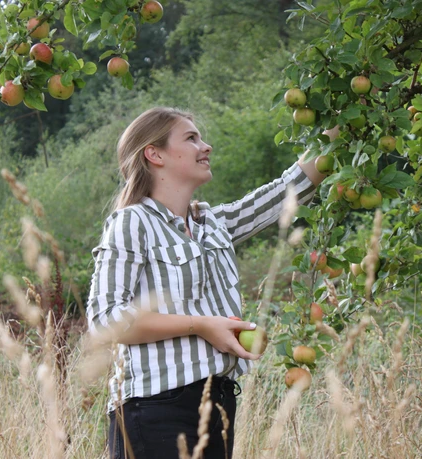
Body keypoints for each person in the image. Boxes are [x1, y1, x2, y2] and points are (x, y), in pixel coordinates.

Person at [86, 107, 326, 459]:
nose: (206, 146)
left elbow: (287, 190)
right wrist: (201, 325)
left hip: (219, 404)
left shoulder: (212, 224)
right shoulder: (132, 222)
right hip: (156, 409)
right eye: (191, 138)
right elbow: (105, 319)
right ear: (154, 154)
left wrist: (344, 123)